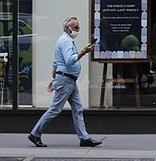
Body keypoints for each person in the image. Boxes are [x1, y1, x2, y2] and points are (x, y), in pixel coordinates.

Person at [27, 16, 102, 148]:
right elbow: (69, 60)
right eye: (76, 28)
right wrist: (84, 51)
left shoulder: (63, 39)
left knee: (77, 108)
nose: (78, 30)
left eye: (79, 27)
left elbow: (56, 63)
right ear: (68, 28)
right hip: (66, 80)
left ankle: (84, 137)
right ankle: (35, 133)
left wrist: (52, 79)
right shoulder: (66, 41)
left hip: (68, 80)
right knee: (55, 109)